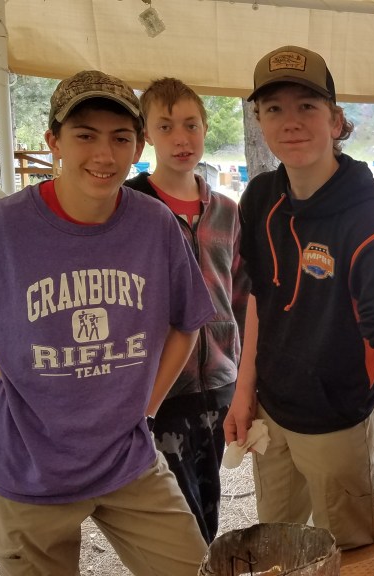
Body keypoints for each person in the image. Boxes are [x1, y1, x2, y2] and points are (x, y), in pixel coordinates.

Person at [0, 70, 215, 575]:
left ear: (138, 146)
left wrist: (146, 410)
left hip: (126, 459)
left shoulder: (153, 224)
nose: (104, 154)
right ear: (53, 141)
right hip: (26, 467)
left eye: (120, 138)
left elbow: (187, 322)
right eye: (85, 135)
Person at [223, 45, 374, 569]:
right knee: (277, 552)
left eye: (307, 106)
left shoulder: (369, 224)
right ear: (259, 121)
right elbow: (260, 298)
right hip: (272, 415)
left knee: (351, 558)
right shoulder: (260, 198)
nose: (290, 122)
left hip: (336, 425)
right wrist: (244, 392)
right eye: (274, 109)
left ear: (336, 121)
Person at [125, 77, 249, 543]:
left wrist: (244, 374)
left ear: (205, 129)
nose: (181, 138)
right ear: (146, 135)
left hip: (219, 381)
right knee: (175, 515)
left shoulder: (227, 211)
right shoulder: (130, 207)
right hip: (159, 387)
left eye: (191, 125)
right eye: (166, 126)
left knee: (208, 501)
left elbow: (241, 295)